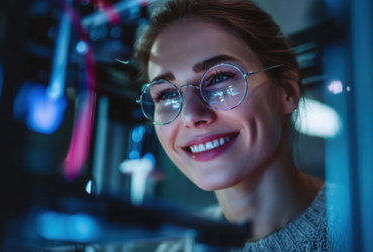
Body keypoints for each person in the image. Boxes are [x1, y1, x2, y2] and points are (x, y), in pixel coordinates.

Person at [135, 0, 329, 250]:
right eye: (167, 95)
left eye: (219, 78)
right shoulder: (174, 245)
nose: (190, 115)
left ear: (287, 91)